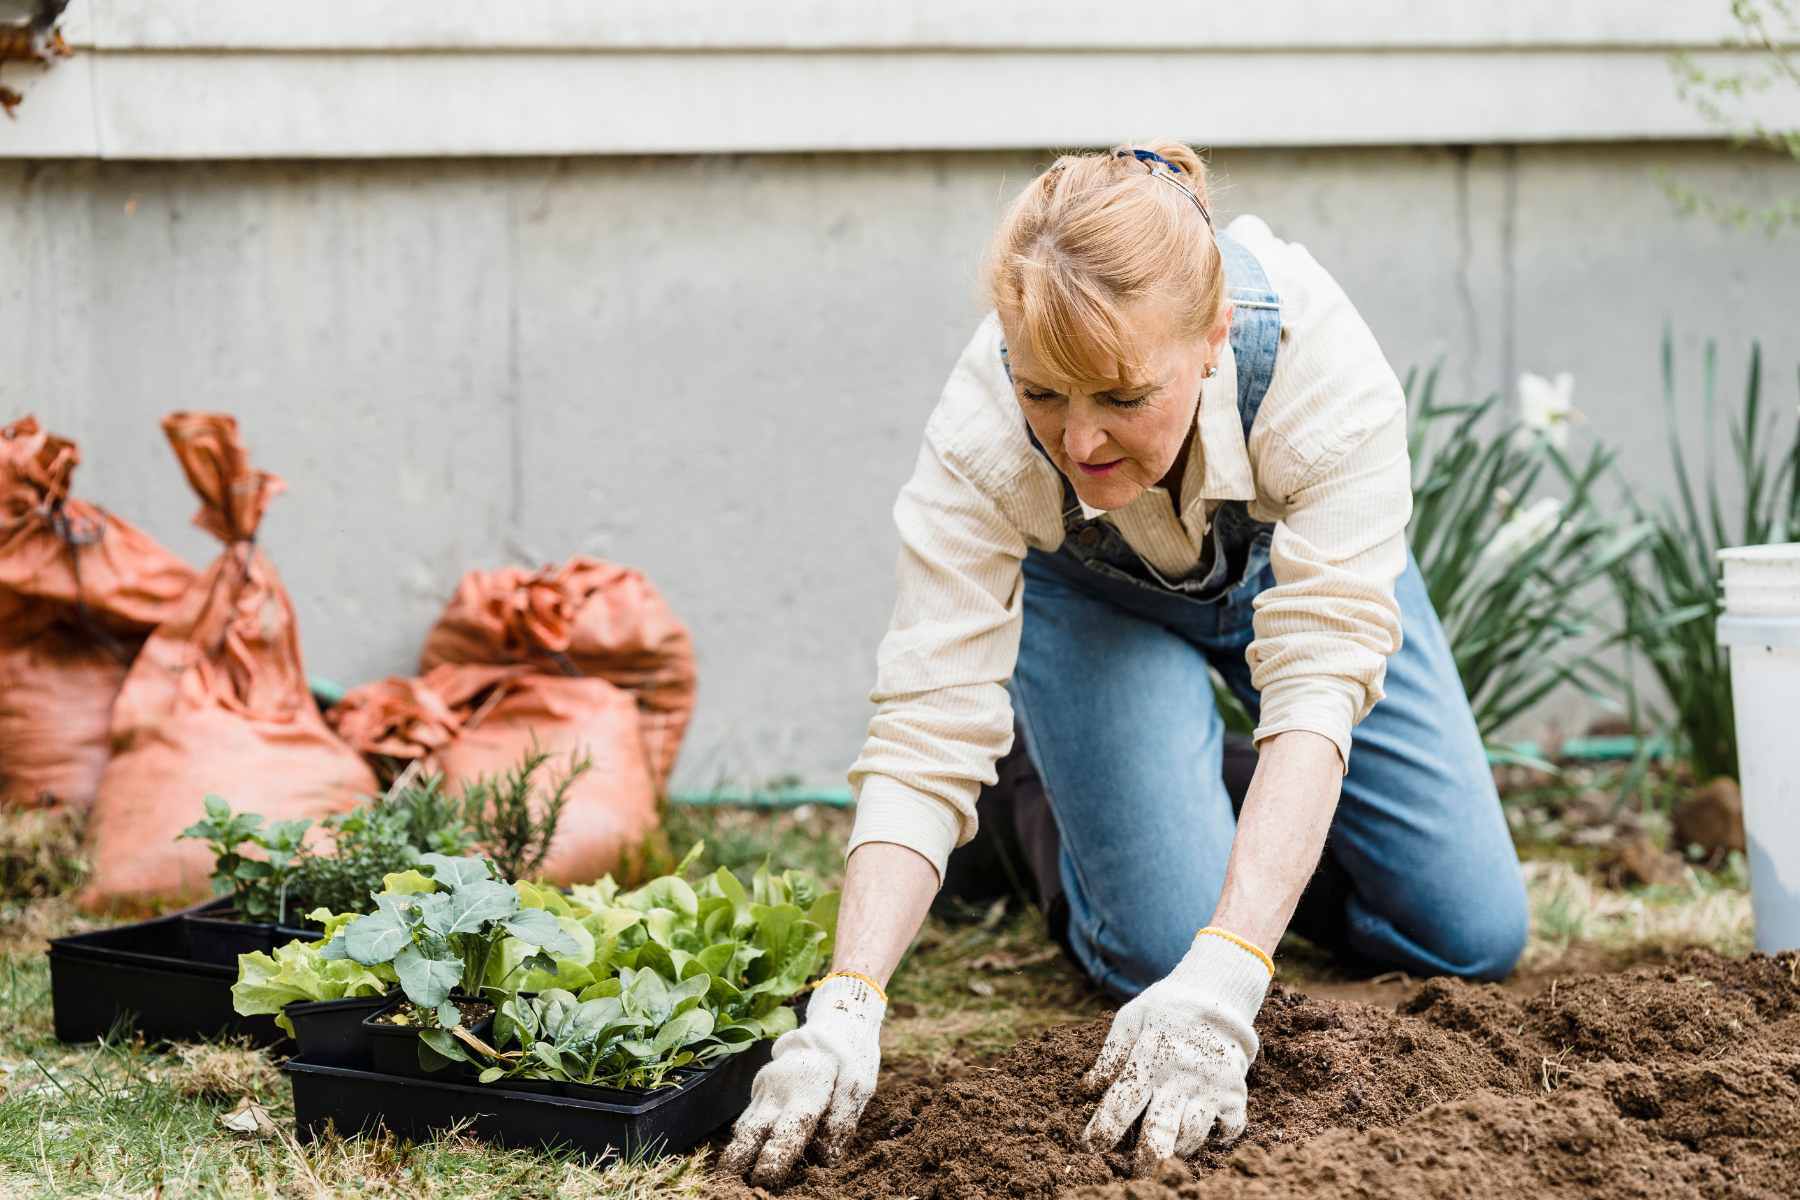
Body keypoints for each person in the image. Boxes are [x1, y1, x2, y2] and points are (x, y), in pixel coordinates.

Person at [722, 140, 1528, 1187]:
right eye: (1044, 394)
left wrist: (1235, 967)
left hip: (1296, 579)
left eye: (1118, 393)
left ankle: (1157, 789)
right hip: (1090, 600)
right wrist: (846, 1006)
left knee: (1470, 932)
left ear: (1210, 335)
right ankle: (1034, 800)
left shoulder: (1323, 375)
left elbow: (1320, 682)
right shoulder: (981, 437)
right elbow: (926, 727)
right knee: (1158, 952)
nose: (1081, 441)